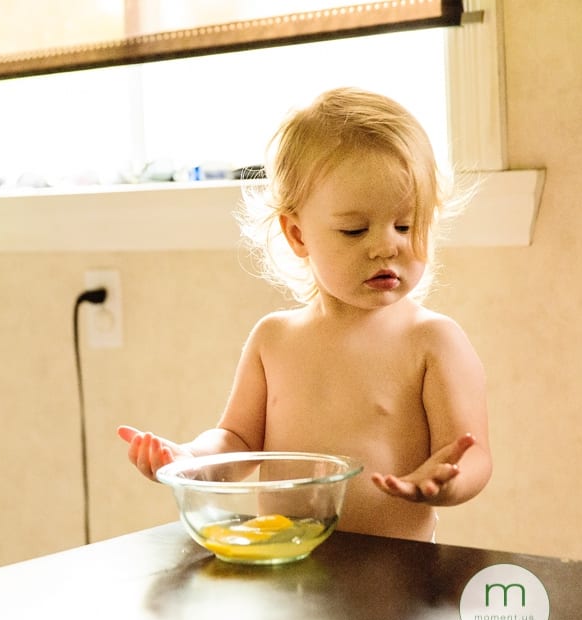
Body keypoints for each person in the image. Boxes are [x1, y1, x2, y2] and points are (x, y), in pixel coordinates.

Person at [119, 87, 491, 543]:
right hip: (285, 560)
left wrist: (447, 481)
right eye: (355, 230)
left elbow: (473, 456)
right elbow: (236, 440)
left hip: (395, 574)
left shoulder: (432, 341)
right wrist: (191, 460)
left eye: (406, 225)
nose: (386, 245)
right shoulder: (273, 339)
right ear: (297, 235)